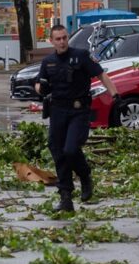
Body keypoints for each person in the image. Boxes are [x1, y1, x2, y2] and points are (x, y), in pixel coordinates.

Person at [35, 24, 120, 212]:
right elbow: (38, 85)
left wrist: (115, 95)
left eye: (64, 37)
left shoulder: (81, 55)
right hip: (57, 110)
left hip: (78, 111)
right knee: (57, 151)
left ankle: (85, 176)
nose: (62, 41)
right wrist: (41, 88)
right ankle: (66, 198)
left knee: (71, 150)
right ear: (51, 41)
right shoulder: (48, 61)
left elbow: (101, 74)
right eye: (58, 39)